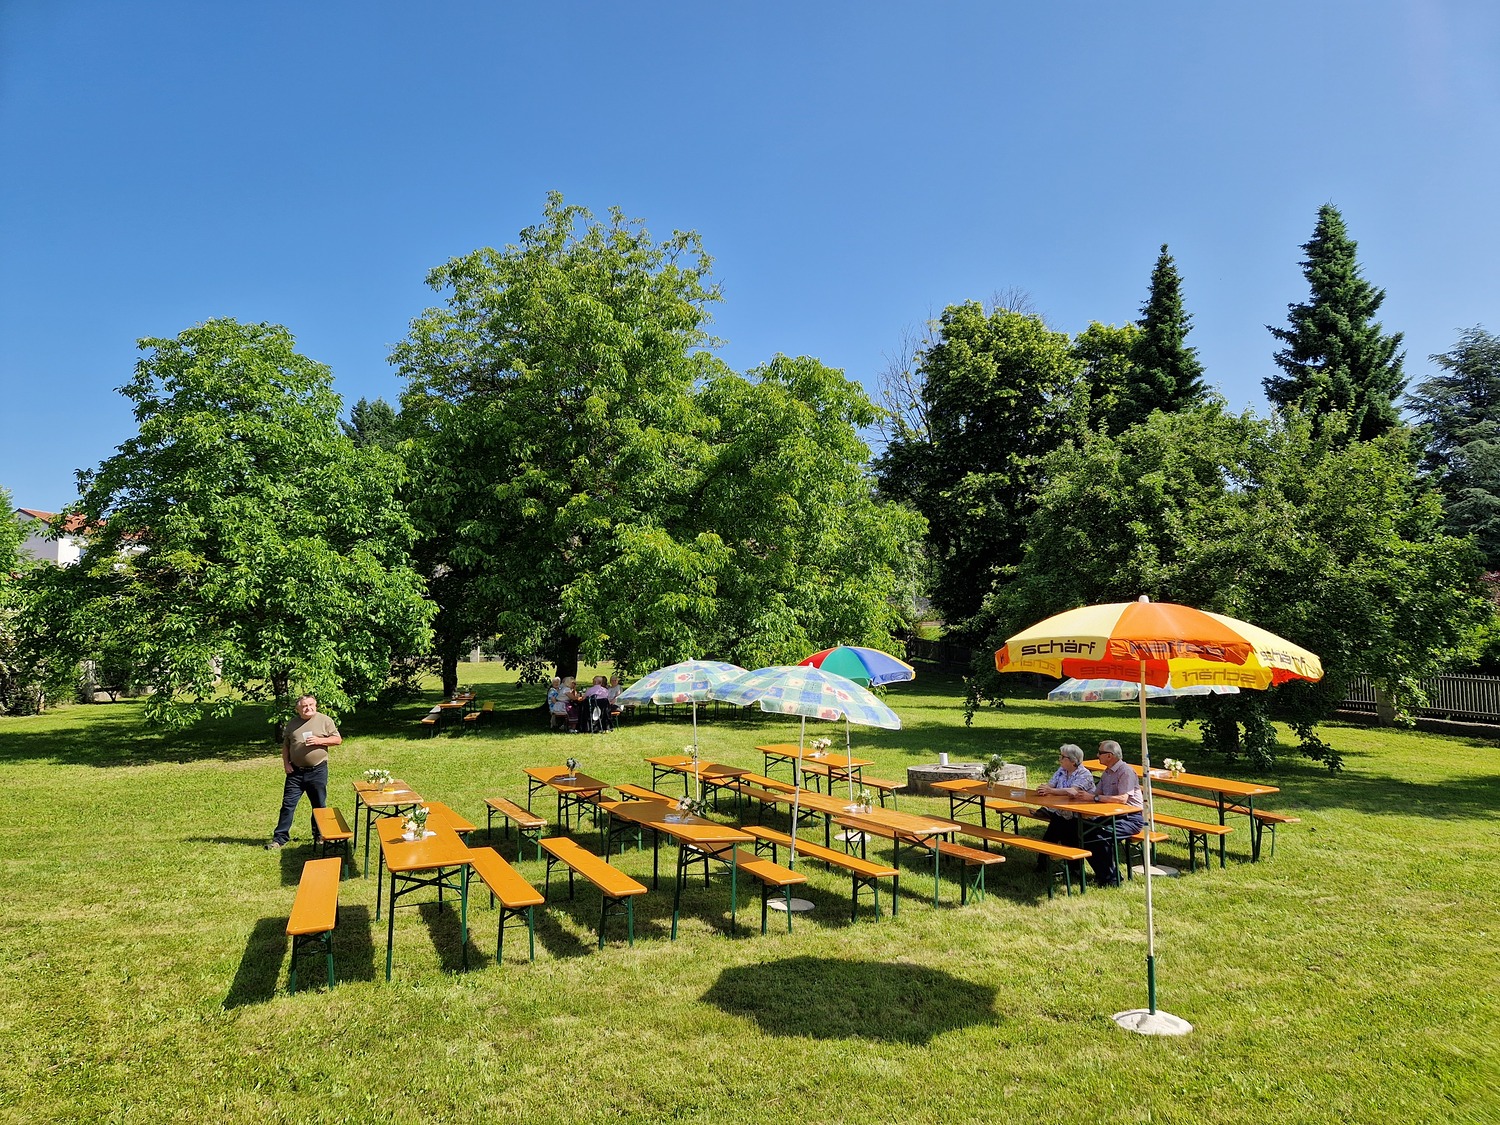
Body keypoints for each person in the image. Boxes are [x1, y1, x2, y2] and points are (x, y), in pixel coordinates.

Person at [267, 694, 342, 850]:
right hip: (295, 772)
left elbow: (337, 740)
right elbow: (286, 746)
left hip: (317, 770)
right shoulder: (292, 724)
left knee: (318, 805)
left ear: (315, 705)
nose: (308, 708)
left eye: (311, 705)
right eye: (304, 706)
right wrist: (286, 764)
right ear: (298, 709)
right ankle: (280, 838)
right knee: (288, 805)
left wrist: (319, 741)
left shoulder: (325, 720)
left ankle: (319, 835)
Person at [1082, 739, 1144, 886]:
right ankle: (1103, 875)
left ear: (1109, 755)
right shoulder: (1107, 773)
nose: (1097, 755)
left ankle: (1112, 879)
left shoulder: (1126, 772)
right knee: (1083, 832)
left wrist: (1094, 798)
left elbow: (1122, 799)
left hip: (1131, 818)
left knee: (1100, 837)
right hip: (1111, 816)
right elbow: (1096, 794)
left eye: (1100, 753)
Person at [1035, 743, 1095, 880]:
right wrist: (1044, 789)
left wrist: (1051, 791)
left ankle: (1075, 869)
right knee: (1049, 836)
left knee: (1070, 837)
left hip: (1079, 816)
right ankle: (1042, 865)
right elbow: (1050, 785)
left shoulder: (1084, 774)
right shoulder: (1062, 770)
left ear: (1073, 761)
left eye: (1063, 757)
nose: (1059, 759)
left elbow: (1073, 792)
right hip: (1061, 812)